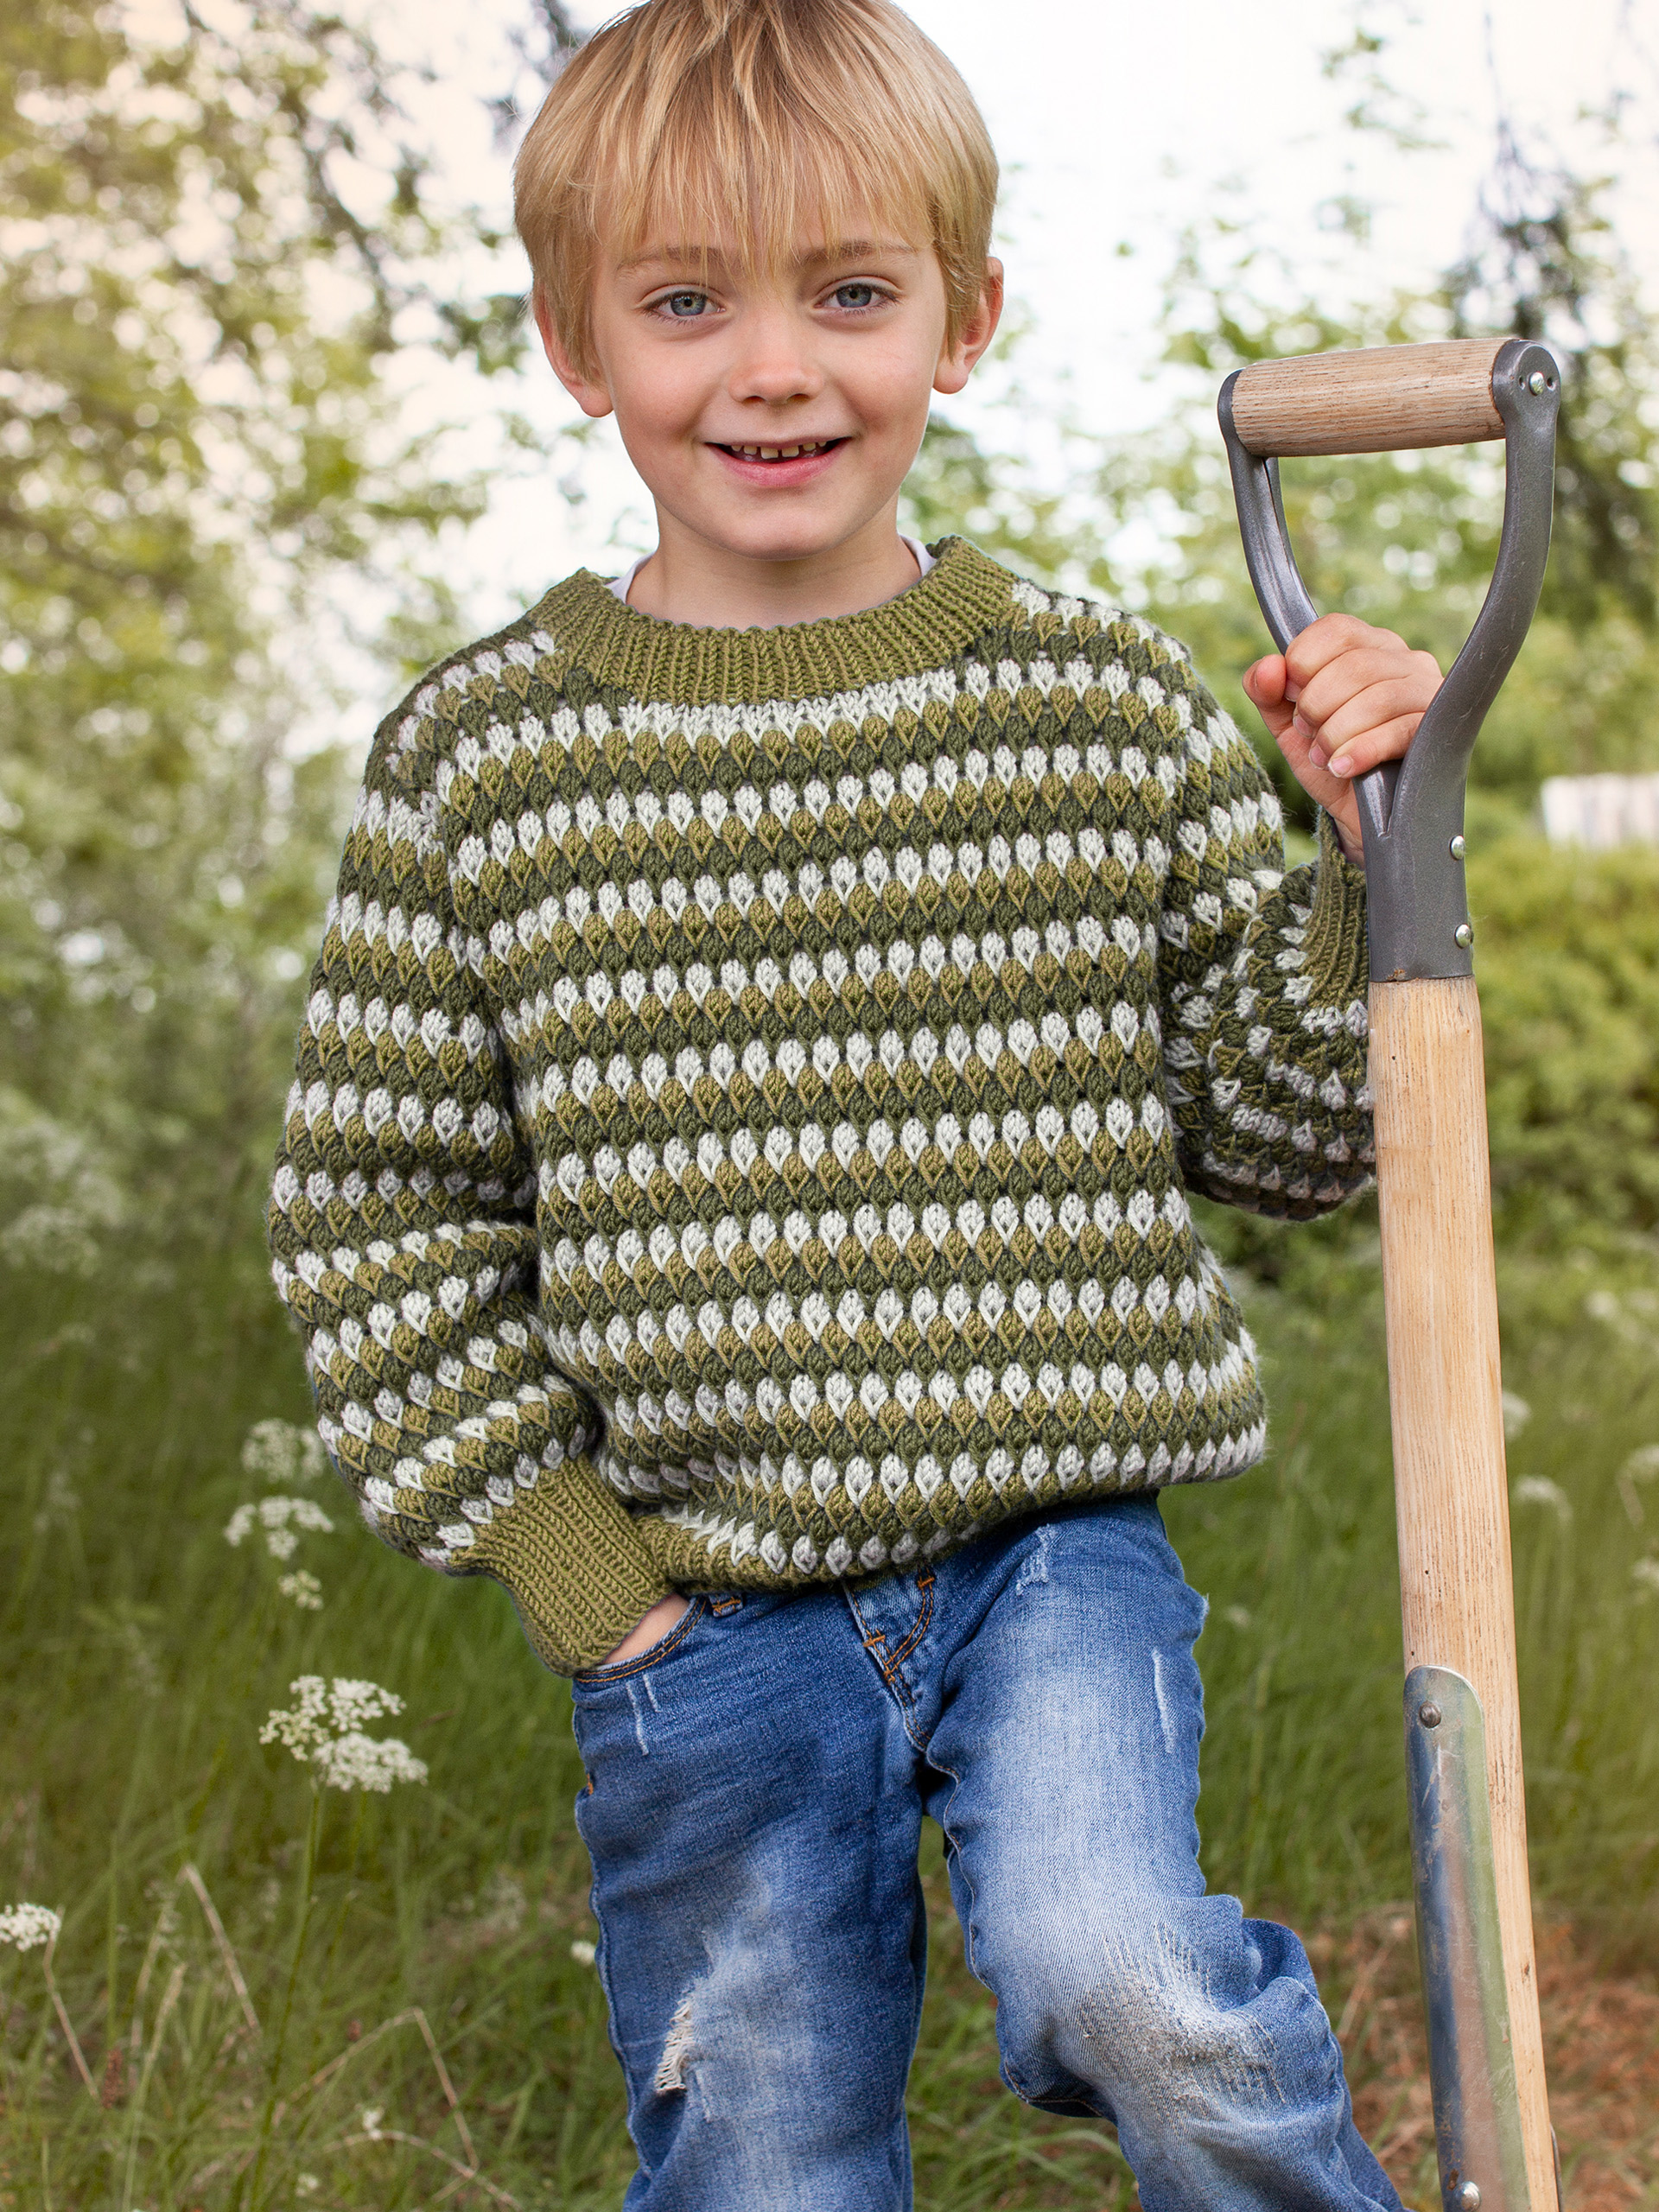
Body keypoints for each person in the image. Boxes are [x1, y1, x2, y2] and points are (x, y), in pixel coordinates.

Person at [268, 2, 1440, 2202]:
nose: (775, 366)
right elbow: (382, 1216)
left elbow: (1291, 1133)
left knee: (1127, 1982)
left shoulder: (1093, 710)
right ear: (573, 341)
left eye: (853, 290)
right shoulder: (485, 765)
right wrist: (577, 1565)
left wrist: (1372, 855)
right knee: (766, 2151)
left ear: (966, 323)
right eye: (688, 301)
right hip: (700, 1600)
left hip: (1052, 1552)